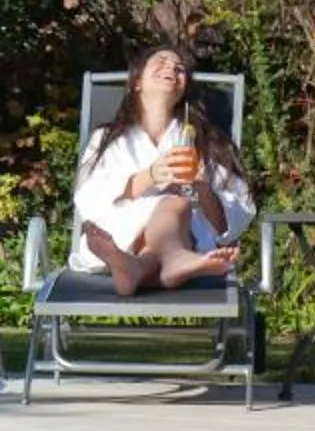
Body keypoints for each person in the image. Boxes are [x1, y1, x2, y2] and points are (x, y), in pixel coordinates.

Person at [69, 46, 256, 297]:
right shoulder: (107, 139)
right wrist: (150, 176)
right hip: (121, 234)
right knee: (171, 202)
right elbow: (89, 199)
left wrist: (201, 186)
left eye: (179, 69)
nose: (172, 68)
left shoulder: (203, 141)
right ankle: (174, 261)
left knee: (174, 204)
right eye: (161, 62)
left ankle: (134, 269)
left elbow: (228, 222)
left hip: (185, 234)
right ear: (136, 82)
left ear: (182, 90)